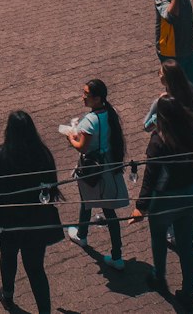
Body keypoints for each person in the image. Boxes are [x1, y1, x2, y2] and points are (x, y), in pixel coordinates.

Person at [0, 111, 64, 314]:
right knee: (36, 269)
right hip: (35, 223)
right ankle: (44, 311)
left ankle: (8, 294)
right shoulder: (43, 155)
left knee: (8, 257)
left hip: (6, 222)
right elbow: (51, 189)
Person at [131, 95, 193, 309]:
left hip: (165, 200)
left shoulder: (158, 141)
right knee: (186, 245)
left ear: (160, 116)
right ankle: (188, 293)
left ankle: (159, 276)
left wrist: (140, 206)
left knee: (158, 238)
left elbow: (150, 177)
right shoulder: (190, 132)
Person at [65, 78, 128, 269]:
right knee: (107, 210)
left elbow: (81, 147)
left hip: (92, 168)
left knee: (87, 200)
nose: (83, 97)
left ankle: (82, 236)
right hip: (108, 164)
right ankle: (116, 255)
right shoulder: (110, 113)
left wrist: (70, 137)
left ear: (97, 98)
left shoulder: (91, 121)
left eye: (87, 94)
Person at [143, 59, 193, 130]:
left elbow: (147, 127)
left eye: (160, 73)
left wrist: (158, 111)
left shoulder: (163, 101)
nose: (159, 75)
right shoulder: (190, 89)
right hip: (189, 132)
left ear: (166, 79)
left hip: (171, 136)